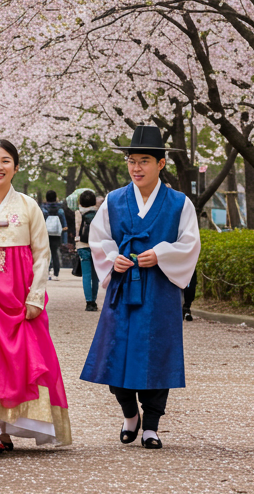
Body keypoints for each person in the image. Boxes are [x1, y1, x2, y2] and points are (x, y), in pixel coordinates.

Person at [80, 125, 200, 450]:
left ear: (160, 164)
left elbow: (190, 243)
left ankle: (152, 425)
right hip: (123, 288)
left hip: (160, 289)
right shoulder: (115, 200)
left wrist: (161, 254)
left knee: (159, 353)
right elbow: (99, 238)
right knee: (115, 352)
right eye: (132, 161)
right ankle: (129, 412)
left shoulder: (179, 203)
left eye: (144, 161)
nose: (137, 168)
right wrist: (113, 257)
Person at [0, 139, 72, 454]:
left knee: (21, 360)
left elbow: (41, 254)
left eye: (5, 161)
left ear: (16, 167)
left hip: (20, 295)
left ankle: (11, 426)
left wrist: (36, 297)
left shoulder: (27, 205)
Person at [72, 188, 100, 312]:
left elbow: (77, 230)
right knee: (95, 276)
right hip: (97, 246)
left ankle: (89, 302)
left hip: (83, 246)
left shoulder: (78, 213)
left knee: (86, 275)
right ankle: (94, 300)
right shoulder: (99, 213)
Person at [41, 191, 66, 279]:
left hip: (45, 233)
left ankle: (47, 272)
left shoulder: (44, 209)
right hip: (56, 233)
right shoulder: (60, 209)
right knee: (55, 252)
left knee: (46, 253)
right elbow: (64, 224)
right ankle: (56, 273)